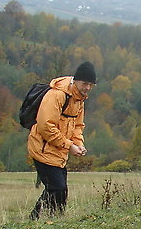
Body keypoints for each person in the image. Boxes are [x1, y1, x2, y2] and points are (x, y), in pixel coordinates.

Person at [27, 61, 96, 219]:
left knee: (60, 190)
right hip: (42, 148)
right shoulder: (57, 95)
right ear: (76, 80)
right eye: (85, 83)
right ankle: (38, 220)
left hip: (59, 151)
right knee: (57, 188)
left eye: (91, 85)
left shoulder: (79, 99)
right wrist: (69, 146)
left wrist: (78, 144)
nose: (87, 87)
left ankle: (53, 220)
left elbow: (77, 125)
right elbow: (45, 126)